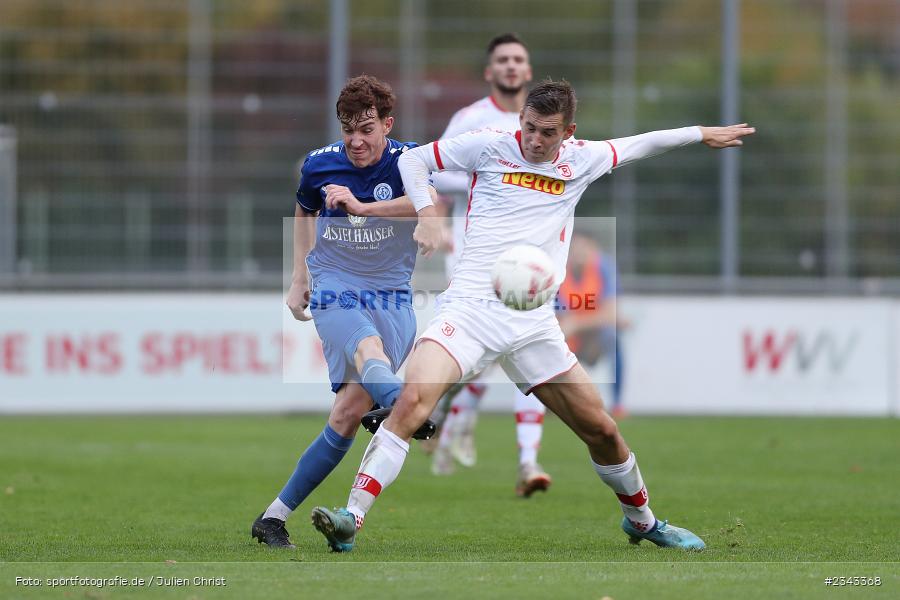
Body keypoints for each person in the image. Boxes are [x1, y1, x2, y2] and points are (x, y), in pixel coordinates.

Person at [311, 79, 754, 552]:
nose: (535, 141)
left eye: (547, 132)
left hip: (532, 324)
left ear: (569, 131)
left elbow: (642, 143)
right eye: (529, 128)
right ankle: (350, 519)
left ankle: (642, 521)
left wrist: (699, 133)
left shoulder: (583, 158)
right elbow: (413, 160)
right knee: (412, 402)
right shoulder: (490, 146)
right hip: (469, 310)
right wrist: (426, 212)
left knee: (601, 430)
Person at [250, 75, 436, 549]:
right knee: (365, 345)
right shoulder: (319, 165)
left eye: (367, 128)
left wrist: (363, 208)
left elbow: (426, 207)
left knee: (346, 416)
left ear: (387, 125)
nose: (356, 139)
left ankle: (272, 518)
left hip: (393, 293)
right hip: (334, 283)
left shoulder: (410, 161)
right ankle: (397, 402)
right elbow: (304, 211)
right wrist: (299, 278)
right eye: (348, 128)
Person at [423, 33, 552, 497]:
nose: (512, 66)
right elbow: (435, 173)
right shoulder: (471, 120)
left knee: (514, 350)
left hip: (531, 259)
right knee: (482, 356)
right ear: (489, 71)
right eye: (502, 59)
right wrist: (434, 220)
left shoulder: (544, 124)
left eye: (519, 58)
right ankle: (451, 416)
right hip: (475, 255)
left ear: (529, 69)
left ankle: (521, 457)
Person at [554, 232, 628, 418]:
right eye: (574, 248)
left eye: (583, 248)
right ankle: (555, 403)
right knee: (551, 343)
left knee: (613, 338)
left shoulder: (605, 268)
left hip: (594, 331)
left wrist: (578, 323)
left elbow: (610, 315)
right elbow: (558, 316)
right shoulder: (558, 270)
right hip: (568, 332)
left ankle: (617, 404)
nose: (579, 253)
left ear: (593, 249)